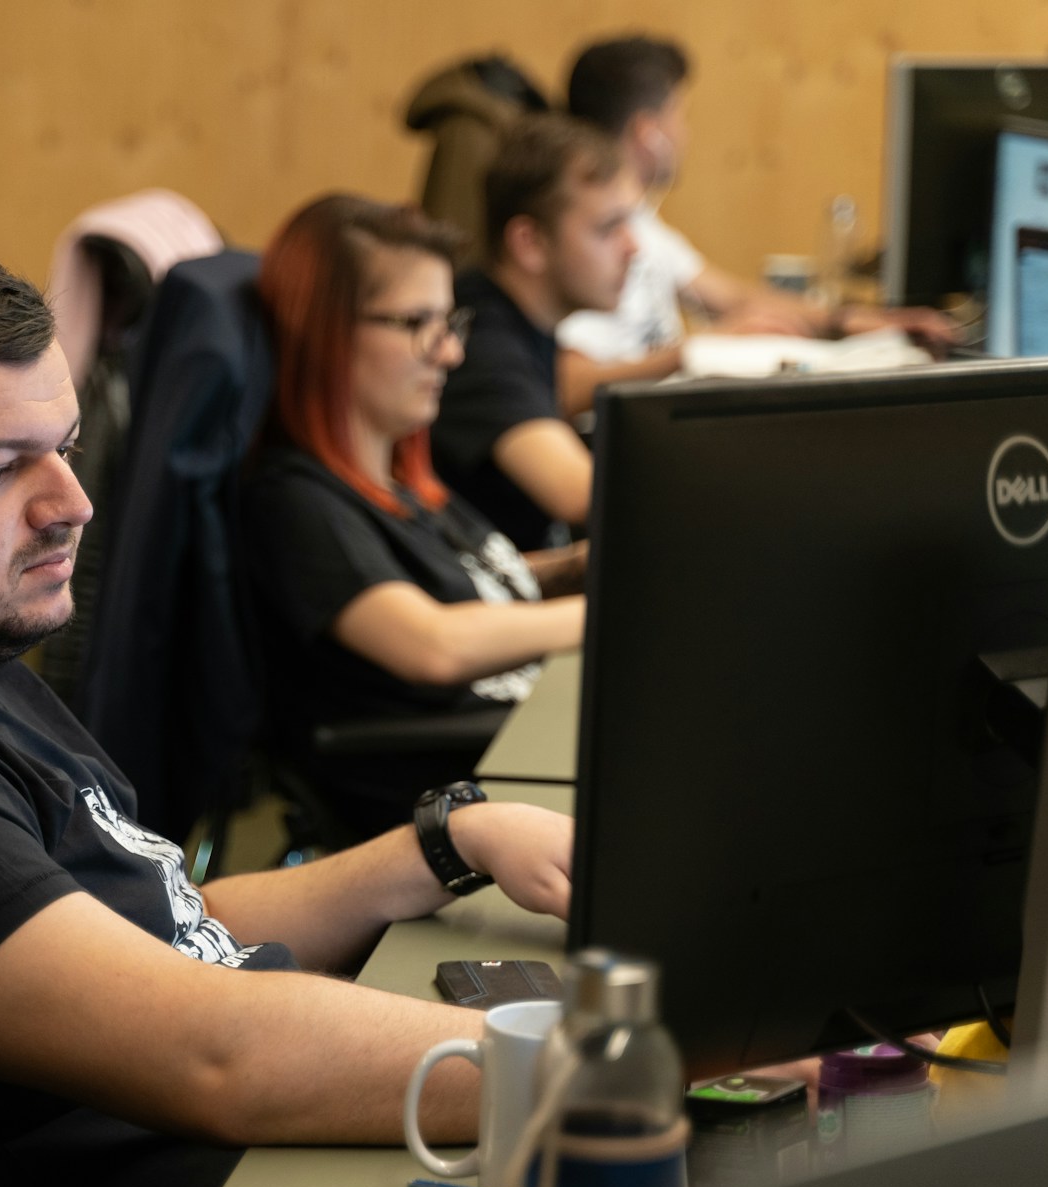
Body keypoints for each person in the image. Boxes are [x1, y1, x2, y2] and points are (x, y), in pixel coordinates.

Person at [0, 240, 576, 1187]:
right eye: (1, 468)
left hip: (247, 1173)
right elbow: (216, 1051)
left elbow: (168, 926)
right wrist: (601, 1073)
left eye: (67, 448)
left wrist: (441, 844)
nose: (72, 504)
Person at [242, 194, 587, 842]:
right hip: (462, 784)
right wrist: (610, 616)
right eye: (418, 323)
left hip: (520, 745)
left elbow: (471, 584)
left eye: (450, 321)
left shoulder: (398, 479)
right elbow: (434, 643)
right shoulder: (293, 502)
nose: (450, 353)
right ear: (328, 330)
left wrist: (576, 567)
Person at [557, 35, 962, 417]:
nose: (686, 133)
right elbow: (564, 386)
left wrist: (845, 321)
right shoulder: (587, 243)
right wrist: (696, 350)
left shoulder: (642, 225)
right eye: (680, 115)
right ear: (650, 134)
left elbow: (729, 296)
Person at [428, 112, 640, 552]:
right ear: (529, 242)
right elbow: (579, 494)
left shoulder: (521, 319)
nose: (632, 247)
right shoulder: (480, 342)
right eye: (607, 228)